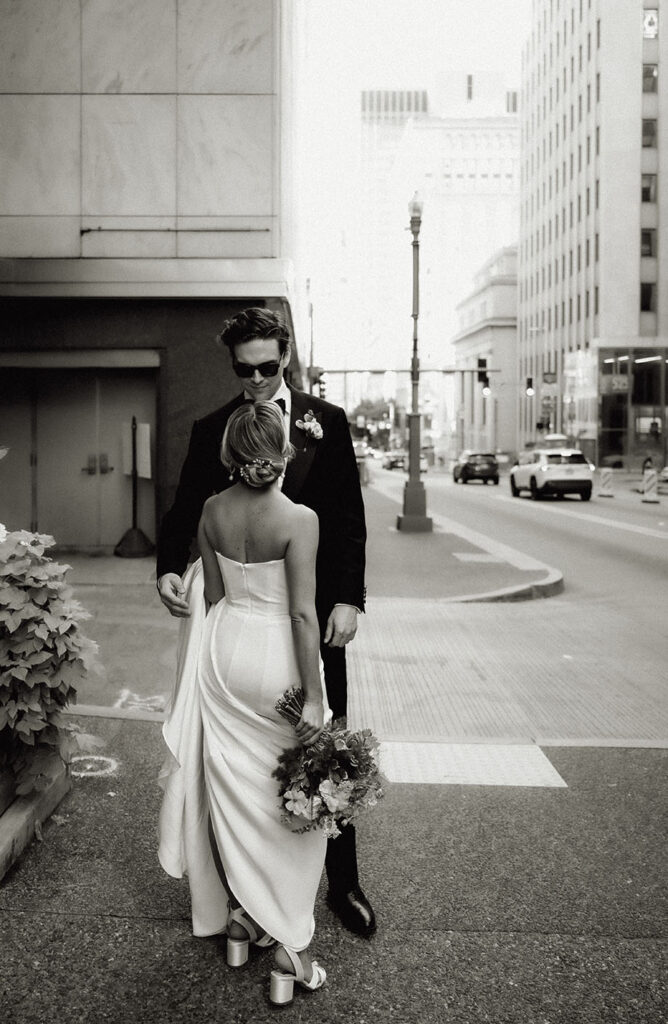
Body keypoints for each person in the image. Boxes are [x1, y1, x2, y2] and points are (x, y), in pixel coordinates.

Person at [156, 307, 375, 937]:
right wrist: (169, 569)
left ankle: (344, 884)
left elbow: (349, 518)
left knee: (325, 747)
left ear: (287, 357)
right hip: (253, 624)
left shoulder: (325, 422)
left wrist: (350, 600)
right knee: (246, 761)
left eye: (267, 368)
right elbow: (183, 515)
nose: (254, 380)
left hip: (315, 616)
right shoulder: (212, 430)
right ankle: (246, 892)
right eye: (243, 370)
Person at [159, 402, 329, 1004]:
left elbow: (213, 590)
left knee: (237, 795)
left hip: (226, 651)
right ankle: (290, 950)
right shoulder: (299, 518)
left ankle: (242, 921)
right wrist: (312, 696)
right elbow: (303, 613)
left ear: (230, 456)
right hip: (278, 659)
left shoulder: (211, 510)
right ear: (282, 453)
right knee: (294, 798)